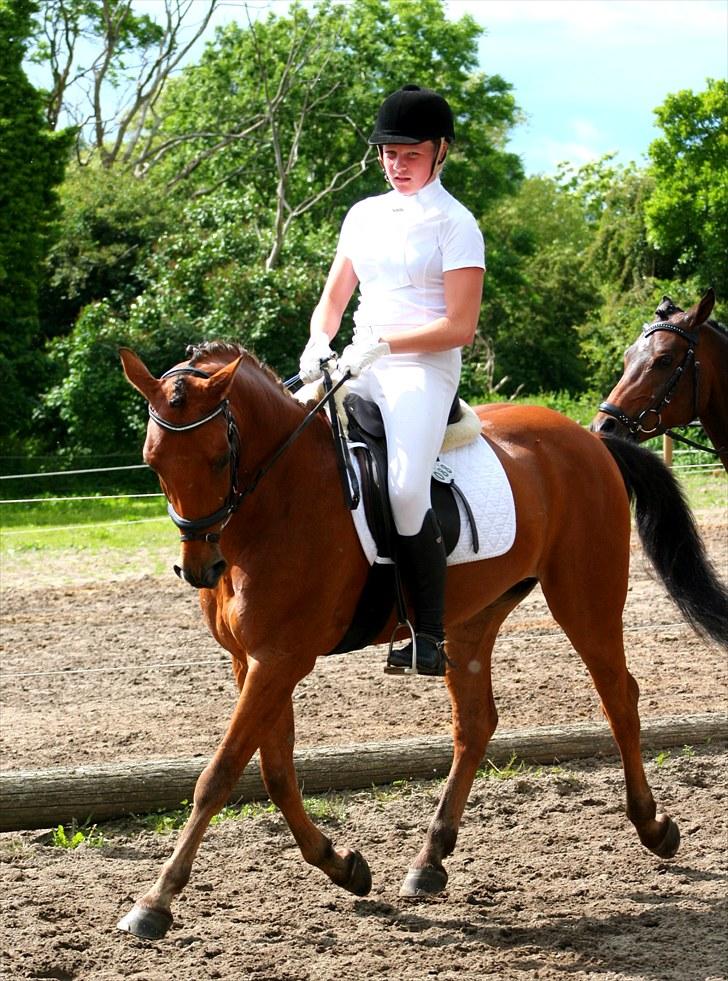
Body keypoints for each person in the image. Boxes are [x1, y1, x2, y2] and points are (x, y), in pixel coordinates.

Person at [299, 84, 485, 676]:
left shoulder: (457, 224)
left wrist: (384, 344)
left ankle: (427, 632)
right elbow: (334, 298)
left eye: (410, 154)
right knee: (282, 439)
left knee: (406, 488)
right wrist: (317, 342)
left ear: (440, 152)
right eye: (388, 153)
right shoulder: (363, 215)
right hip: (357, 359)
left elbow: (459, 326)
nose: (397, 165)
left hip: (421, 367)